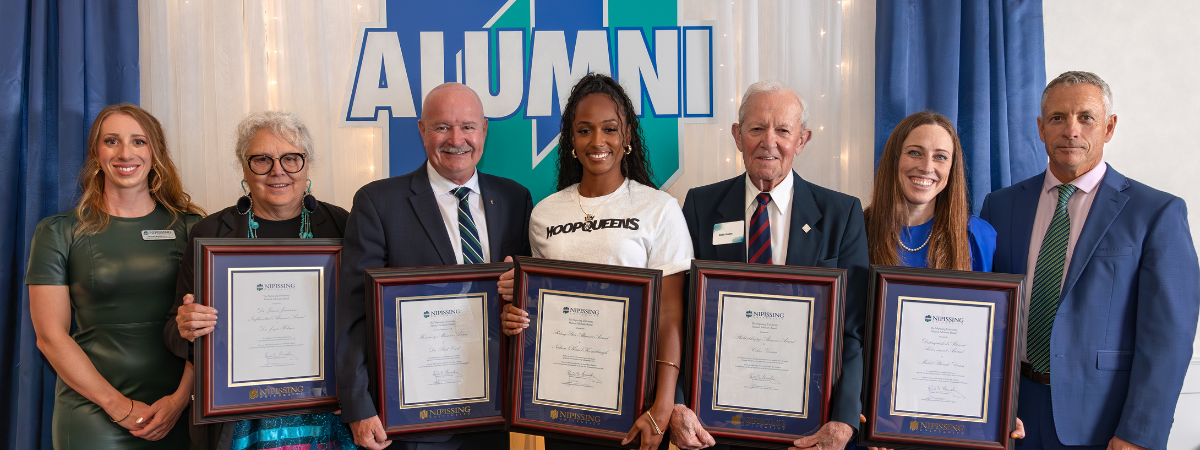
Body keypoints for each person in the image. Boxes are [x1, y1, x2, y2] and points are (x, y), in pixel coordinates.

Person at [981, 71, 1199, 450]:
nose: (1071, 130)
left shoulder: (1156, 212)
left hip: (1103, 423)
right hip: (1010, 416)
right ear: (1040, 128)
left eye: (1086, 117)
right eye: (1057, 118)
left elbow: (1169, 337)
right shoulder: (1000, 206)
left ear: (1109, 127)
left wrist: (1139, 434)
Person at [497, 72, 696, 450]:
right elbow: (540, 306)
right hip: (562, 401)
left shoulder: (659, 209)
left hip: (635, 402)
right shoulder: (545, 214)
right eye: (585, 130)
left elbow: (671, 313)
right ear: (571, 140)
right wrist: (515, 316)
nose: (598, 141)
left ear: (627, 138)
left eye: (610, 129)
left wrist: (664, 402)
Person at [336, 82, 532, 450]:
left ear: (484, 131)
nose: (456, 139)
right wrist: (358, 407)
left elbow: (525, 301)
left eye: (468, 127)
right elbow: (352, 312)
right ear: (422, 131)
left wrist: (518, 291)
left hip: (493, 410)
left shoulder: (514, 198)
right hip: (411, 417)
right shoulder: (378, 202)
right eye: (442, 126)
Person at [679, 80, 867, 450]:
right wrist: (680, 403)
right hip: (716, 424)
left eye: (783, 130)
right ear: (737, 135)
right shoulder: (700, 206)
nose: (769, 141)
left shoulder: (841, 214)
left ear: (802, 140)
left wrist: (844, 421)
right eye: (756, 128)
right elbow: (684, 319)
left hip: (809, 425)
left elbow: (853, 331)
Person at [166, 111, 355, 449]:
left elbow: (364, 321)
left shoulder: (344, 227)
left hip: (328, 413)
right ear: (244, 167)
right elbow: (173, 333)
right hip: (240, 419)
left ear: (307, 165)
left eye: (290, 158)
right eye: (262, 160)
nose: (277, 170)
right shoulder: (209, 233)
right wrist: (186, 327)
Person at [26, 104, 204, 448]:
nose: (126, 153)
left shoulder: (191, 227)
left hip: (179, 408)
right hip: (93, 411)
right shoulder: (59, 232)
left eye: (139, 141)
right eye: (112, 141)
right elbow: (50, 337)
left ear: (156, 152)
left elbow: (207, 327)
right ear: (96, 152)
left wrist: (181, 399)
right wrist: (118, 407)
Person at [865, 110, 995, 272]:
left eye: (940, 157)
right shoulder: (857, 230)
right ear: (894, 159)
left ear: (952, 168)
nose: (926, 167)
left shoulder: (978, 234)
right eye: (914, 152)